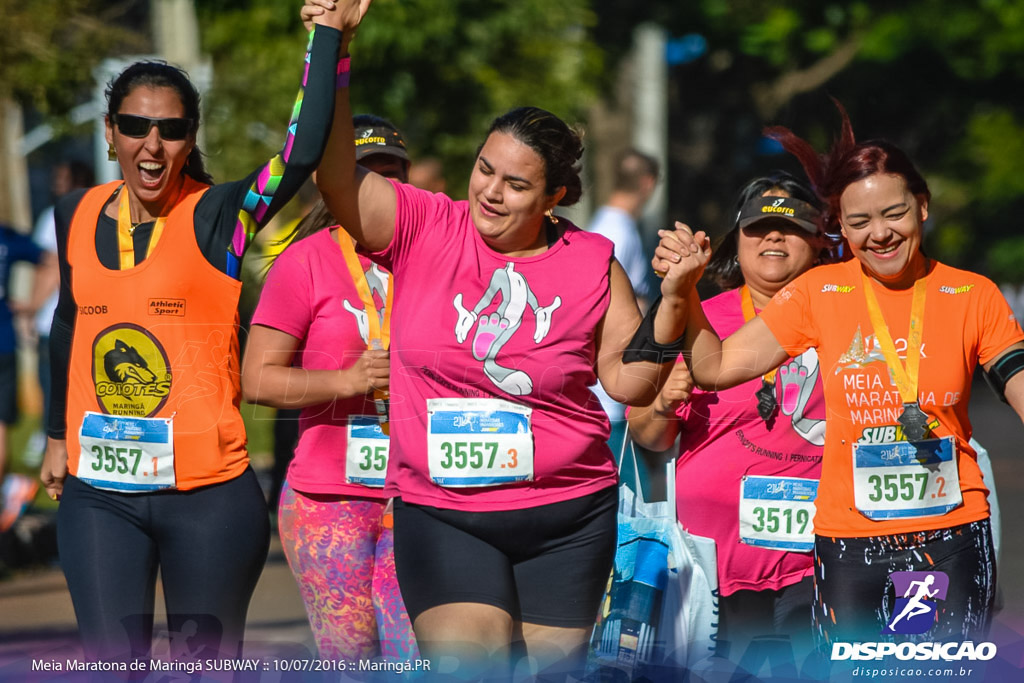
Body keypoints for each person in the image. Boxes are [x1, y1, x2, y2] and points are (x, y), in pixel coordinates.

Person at [302, 1, 689, 676]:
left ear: (555, 196)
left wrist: (677, 299)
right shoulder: (423, 223)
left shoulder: (591, 258)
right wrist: (332, 47)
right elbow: (334, 175)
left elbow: (630, 380)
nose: (491, 192)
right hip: (445, 512)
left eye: (516, 184)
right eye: (486, 169)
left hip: (567, 518)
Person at [38, 3, 353, 662]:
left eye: (171, 129)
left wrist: (329, 36)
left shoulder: (222, 215)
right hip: (101, 495)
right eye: (135, 126)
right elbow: (69, 320)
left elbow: (304, 146)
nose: (152, 145)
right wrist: (57, 437)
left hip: (207, 498)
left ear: (190, 136)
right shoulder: (73, 213)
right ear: (109, 132)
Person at [653, 102, 1024, 647]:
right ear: (841, 229)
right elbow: (715, 367)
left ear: (922, 207)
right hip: (849, 541)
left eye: (893, 214)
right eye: (859, 222)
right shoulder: (820, 293)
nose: (880, 234)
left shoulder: (972, 294)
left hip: (947, 532)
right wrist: (683, 290)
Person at [627, 172, 829, 662]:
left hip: (817, 563)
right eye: (758, 227)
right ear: (735, 241)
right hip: (709, 563)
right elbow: (647, 436)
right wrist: (663, 405)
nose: (774, 236)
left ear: (820, 243)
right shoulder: (695, 316)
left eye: (793, 227)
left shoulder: (844, 316)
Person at [241, 113, 416, 661]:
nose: (378, 190)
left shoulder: (435, 257)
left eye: (392, 176)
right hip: (328, 502)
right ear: (333, 182)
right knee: (353, 663)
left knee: (413, 659)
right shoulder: (305, 263)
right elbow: (257, 379)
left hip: (419, 496)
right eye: (364, 176)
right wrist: (347, 379)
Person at [588, 149, 660, 461]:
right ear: (648, 183)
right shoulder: (616, 233)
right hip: (609, 396)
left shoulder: (606, 224)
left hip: (609, 392)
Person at [23, 162, 95, 470]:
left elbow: (50, 267)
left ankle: (49, 446)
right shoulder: (100, 211)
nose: (55, 185)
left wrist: (30, 308)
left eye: (61, 179)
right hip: (87, 318)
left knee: (52, 388)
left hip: (53, 319)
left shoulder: (56, 215)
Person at [0, 222, 51, 531]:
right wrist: (29, 306)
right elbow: (49, 259)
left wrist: (31, 305)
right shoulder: (7, 239)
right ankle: (9, 494)